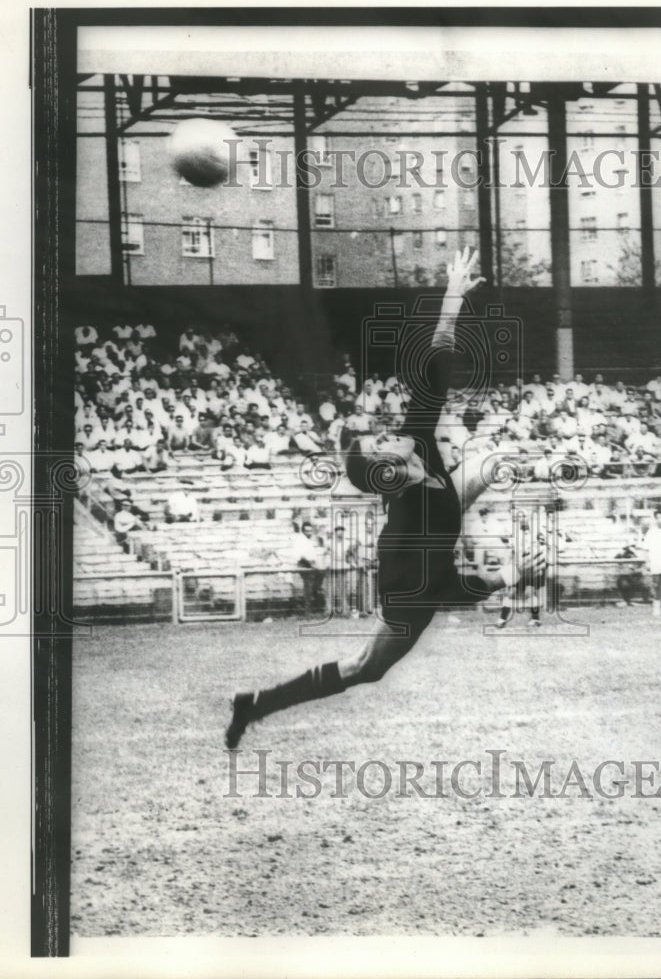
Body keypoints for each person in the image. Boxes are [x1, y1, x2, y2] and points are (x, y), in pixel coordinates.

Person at [225, 248, 546, 748]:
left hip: (442, 513)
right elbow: (445, 592)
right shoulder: (403, 541)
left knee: (490, 459)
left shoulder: (415, 441)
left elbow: (437, 367)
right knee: (363, 669)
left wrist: (453, 296)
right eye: (381, 443)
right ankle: (256, 705)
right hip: (411, 591)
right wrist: (506, 577)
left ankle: (507, 473)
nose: (386, 433)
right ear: (389, 472)